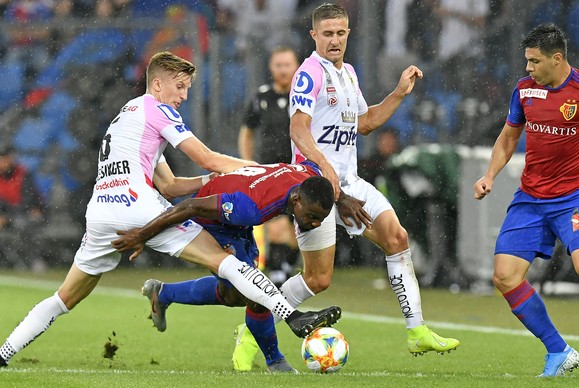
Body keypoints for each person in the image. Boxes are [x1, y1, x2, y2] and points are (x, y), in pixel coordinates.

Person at [0, 51, 341, 368]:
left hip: (102, 214)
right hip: (139, 207)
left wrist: (208, 177)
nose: (183, 96)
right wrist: (252, 169)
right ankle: (292, 316)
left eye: (187, 88)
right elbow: (207, 156)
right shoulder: (158, 110)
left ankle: (4, 353)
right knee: (226, 263)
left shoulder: (127, 119)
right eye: (179, 87)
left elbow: (170, 186)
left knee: (63, 299)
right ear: (158, 84)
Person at [230, 3, 460, 367]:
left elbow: (364, 123)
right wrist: (327, 175)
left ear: (348, 33)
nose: (334, 40)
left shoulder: (349, 73)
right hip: (314, 190)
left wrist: (399, 93)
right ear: (314, 35)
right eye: (327, 34)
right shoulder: (309, 73)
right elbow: (298, 129)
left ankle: (417, 331)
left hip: (349, 180)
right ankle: (251, 331)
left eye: (340, 33)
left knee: (397, 240)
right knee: (317, 279)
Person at [112, 161, 340, 372]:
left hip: (237, 220)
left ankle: (163, 294)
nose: (316, 224)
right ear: (297, 199)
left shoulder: (308, 174)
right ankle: (275, 360)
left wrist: (345, 199)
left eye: (321, 218)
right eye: (311, 216)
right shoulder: (250, 207)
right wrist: (141, 236)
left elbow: (315, 166)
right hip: (214, 222)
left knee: (233, 295)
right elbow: (191, 206)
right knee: (253, 294)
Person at [473, 24, 579, 377]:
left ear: (557, 58)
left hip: (574, 197)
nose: (528, 68)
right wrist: (489, 175)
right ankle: (559, 351)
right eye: (527, 61)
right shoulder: (524, 90)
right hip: (531, 199)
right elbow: (507, 138)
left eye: (534, 61)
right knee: (504, 276)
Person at [238, 46, 300, 287]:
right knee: (276, 226)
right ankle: (277, 276)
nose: (283, 70)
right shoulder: (261, 97)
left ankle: (283, 268)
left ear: (296, 67)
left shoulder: (304, 97)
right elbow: (247, 132)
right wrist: (247, 163)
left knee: (298, 232)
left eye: (287, 65)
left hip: (300, 171)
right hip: (272, 172)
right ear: (271, 68)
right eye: (279, 65)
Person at [0, 144, 46, 271]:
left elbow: (29, 201)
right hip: (5, 216)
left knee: (23, 224)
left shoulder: (23, 174)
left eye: (3, 159)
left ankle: (32, 260)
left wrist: (7, 217)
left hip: (22, 215)